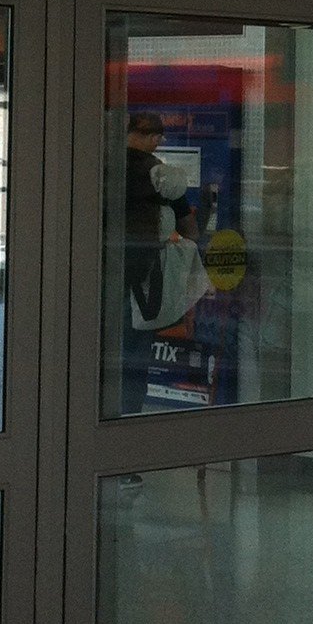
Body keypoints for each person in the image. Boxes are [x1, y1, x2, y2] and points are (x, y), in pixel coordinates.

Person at [119, 111, 189, 415]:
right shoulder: (163, 176)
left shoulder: (103, 167)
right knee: (136, 349)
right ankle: (128, 414)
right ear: (154, 138)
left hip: (101, 274)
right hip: (145, 275)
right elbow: (189, 228)